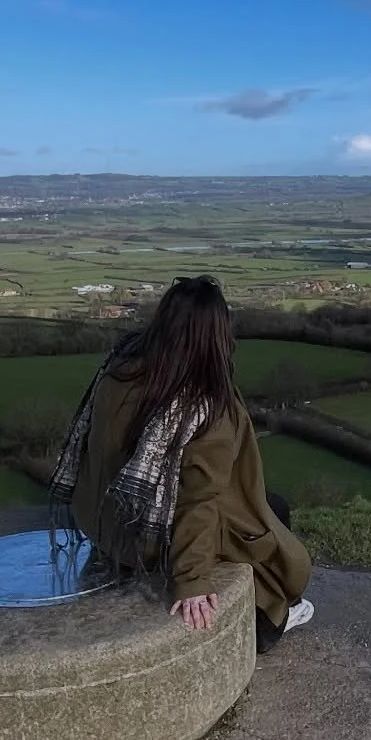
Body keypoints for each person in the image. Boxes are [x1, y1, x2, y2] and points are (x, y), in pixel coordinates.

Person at [50, 275, 314, 647]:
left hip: (106, 520)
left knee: (273, 506)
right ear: (217, 336)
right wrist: (191, 581)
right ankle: (272, 616)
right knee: (269, 530)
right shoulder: (205, 403)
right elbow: (199, 499)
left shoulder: (119, 367)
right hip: (148, 537)